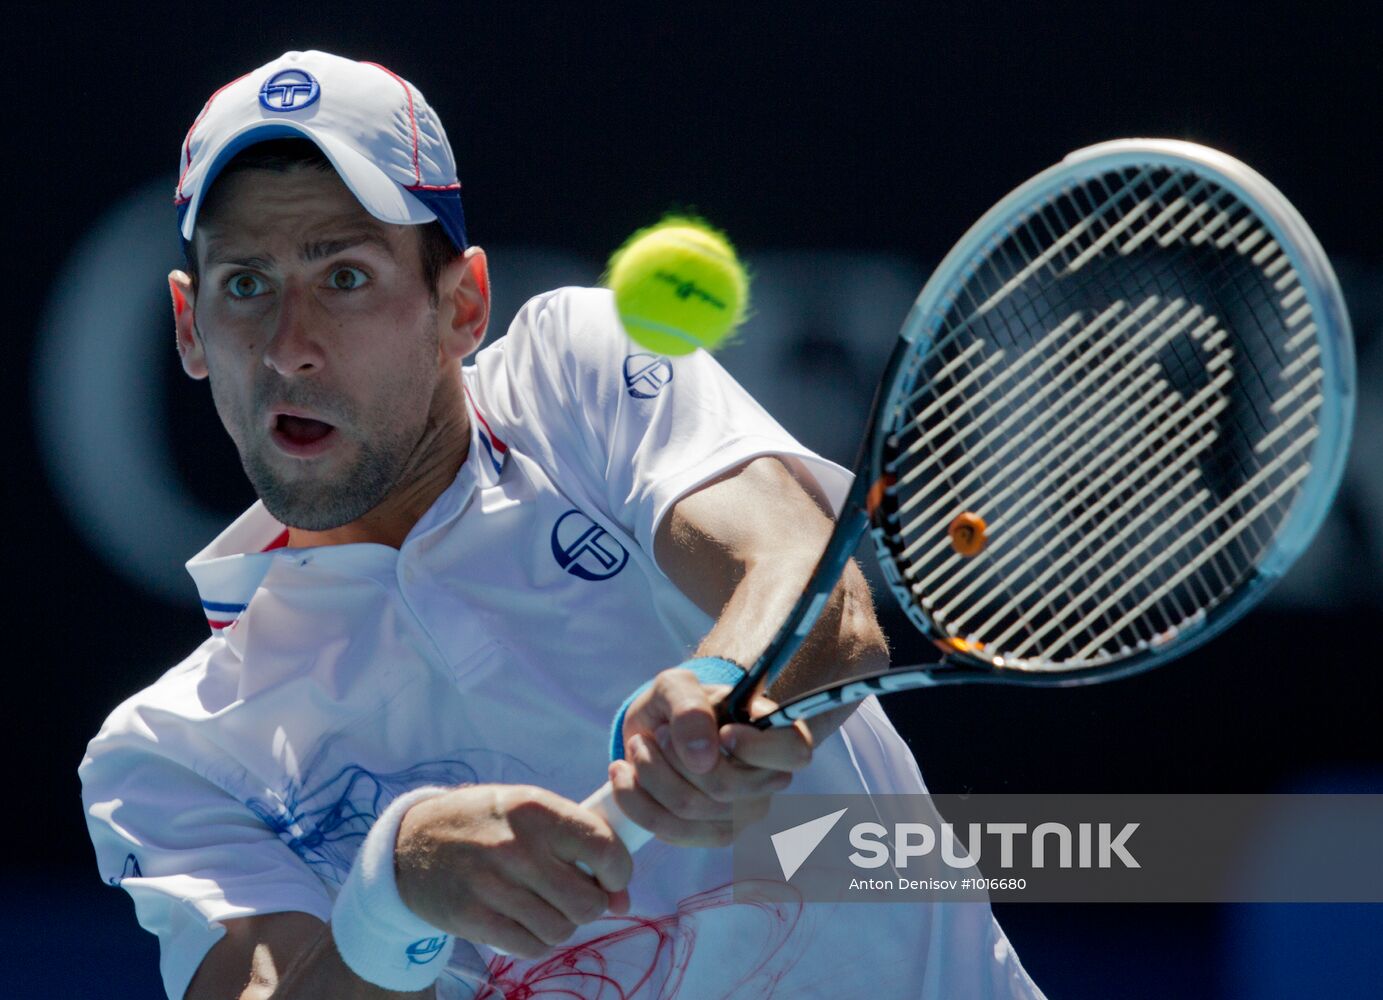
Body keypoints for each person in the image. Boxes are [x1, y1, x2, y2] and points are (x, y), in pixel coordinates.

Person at [79, 50, 1045, 1000]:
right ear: (190, 326)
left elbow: (813, 588)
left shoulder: (577, 374)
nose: (289, 349)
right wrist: (395, 891)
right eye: (245, 284)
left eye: (345, 277)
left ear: (462, 307)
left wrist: (723, 687)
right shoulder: (169, 753)